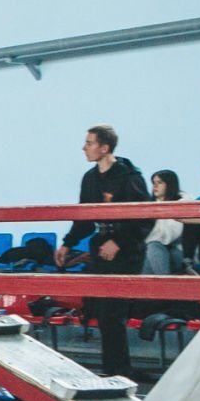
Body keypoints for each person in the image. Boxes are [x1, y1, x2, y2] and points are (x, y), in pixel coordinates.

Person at [56, 125, 151, 379]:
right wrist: (67, 244)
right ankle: (113, 369)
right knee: (102, 312)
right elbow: (84, 218)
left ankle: (119, 372)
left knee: (114, 312)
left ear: (105, 148)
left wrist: (119, 242)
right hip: (100, 246)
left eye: (89, 143)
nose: (84, 148)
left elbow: (145, 217)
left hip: (127, 251)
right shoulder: (90, 178)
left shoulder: (130, 177)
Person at [142, 170, 185, 275]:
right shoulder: (150, 204)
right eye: (153, 183)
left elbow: (168, 237)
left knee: (153, 246)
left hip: (178, 252)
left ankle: (164, 282)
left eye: (159, 182)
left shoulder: (181, 203)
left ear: (170, 185)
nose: (155, 186)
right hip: (155, 251)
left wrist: (152, 238)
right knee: (151, 250)